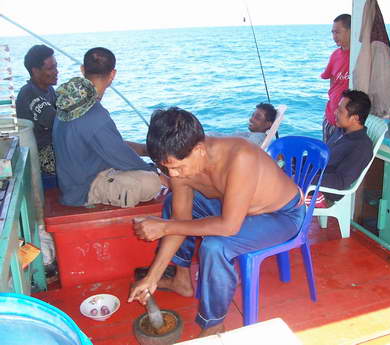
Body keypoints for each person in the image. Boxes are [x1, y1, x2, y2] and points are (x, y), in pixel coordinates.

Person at [128, 107, 306, 337]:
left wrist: (165, 227)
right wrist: (152, 277)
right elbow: (180, 220)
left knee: (216, 245)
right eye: (168, 168)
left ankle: (213, 325)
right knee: (175, 202)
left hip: (282, 216)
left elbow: (228, 227)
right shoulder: (181, 166)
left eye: (178, 167)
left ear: (199, 149)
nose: (173, 175)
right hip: (236, 210)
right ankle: (181, 280)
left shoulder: (240, 157)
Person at [53, 47, 167, 207]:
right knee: (152, 182)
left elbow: (107, 144)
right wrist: (155, 172)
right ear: (113, 74)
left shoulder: (67, 102)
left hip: (74, 180)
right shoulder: (95, 114)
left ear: (83, 70)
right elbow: (123, 157)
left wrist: (145, 151)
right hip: (84, 190)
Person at [306, 89, 373, 207]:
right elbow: (322, 156)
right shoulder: (341, 131)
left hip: (322, 192)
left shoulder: (361, 146)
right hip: (315, 175)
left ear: (355, 118)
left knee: (272, 190)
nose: (335, 112)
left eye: (340, 111)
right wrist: (292, 160)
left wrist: (304, 178)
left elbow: (340, 181)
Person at [16, 45, 58, 175]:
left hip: (54, 144)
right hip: (40, 153)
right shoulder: (29, 93)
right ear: (35, 71)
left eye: (56, 66)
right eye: (51, 68)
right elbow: (56, 121)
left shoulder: (49, 89)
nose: (57, 71)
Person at [321, 14, 351, 142]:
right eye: (332, 32)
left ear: (351, 31)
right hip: (330, 117)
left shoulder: (362, 55)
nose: (334, 36)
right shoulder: (335, 55)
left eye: (337, 32)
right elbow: (331, 79)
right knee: (325, 156)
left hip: (347, 121)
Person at [208, 102, 277, 146]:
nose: (251, 119)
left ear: (268, 124)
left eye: (257, 118)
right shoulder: (252, 135)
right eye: (252, 115)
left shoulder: (257, 139)